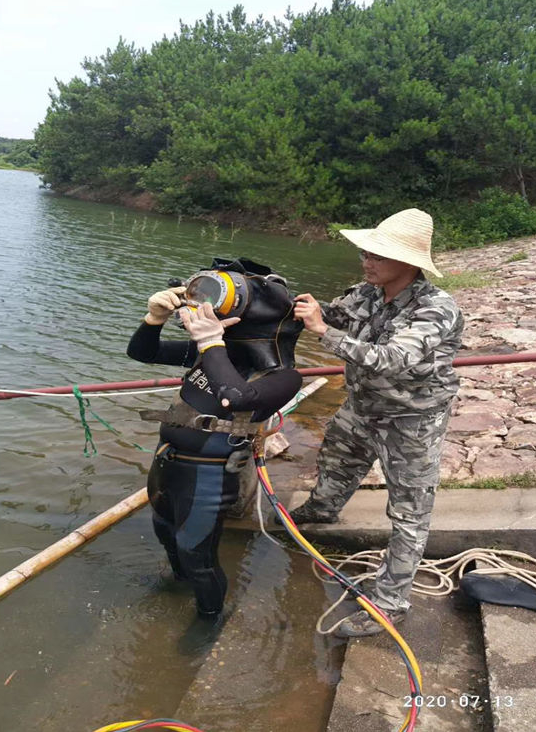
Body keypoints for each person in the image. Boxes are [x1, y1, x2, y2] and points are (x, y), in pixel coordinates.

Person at [289, 208, 464, 638]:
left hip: (412, 419)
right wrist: (306, 307)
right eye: (366, 252)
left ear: (409, 263)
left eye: (378, 256)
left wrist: (320, 332)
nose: (367, 261)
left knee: (409, 512)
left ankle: (390, 604)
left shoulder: (436, 309)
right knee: (336, 455)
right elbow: (338, 315)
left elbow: (390, 359)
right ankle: (322, 510)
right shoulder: (367, 293)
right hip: (363, 406)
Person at [127, 258, 303, 620]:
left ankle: (209, 618)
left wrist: (210, 341)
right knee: (164, 532)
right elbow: (143, 353)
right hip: (166, 461)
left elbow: (236, 398)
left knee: (197, 554)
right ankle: (177, 585)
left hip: (208, 476)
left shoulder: (282, 376)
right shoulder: (214, 353)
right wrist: (154, 319)